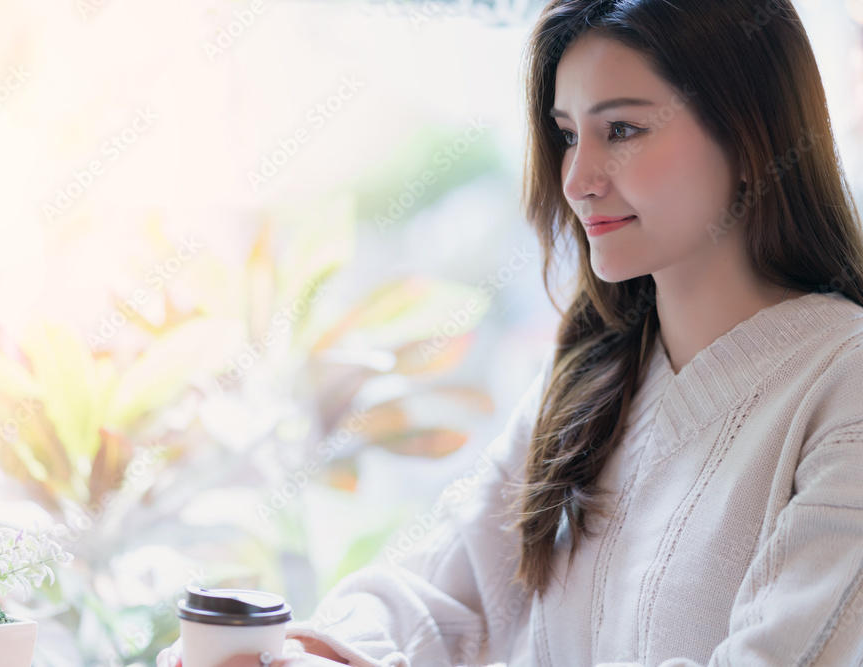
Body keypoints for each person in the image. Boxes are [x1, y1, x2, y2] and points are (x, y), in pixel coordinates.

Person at [158, 0, 863, 664]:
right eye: (566, 135)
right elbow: (435, 592)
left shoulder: (842, 379)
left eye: (622, 129)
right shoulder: (594, 382)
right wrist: (296, 654)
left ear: (748, 133)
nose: (579, 177)